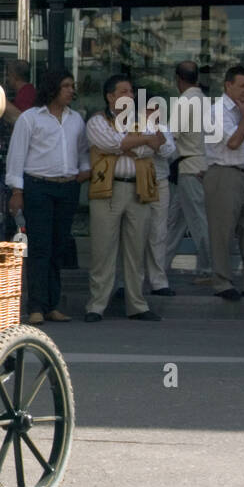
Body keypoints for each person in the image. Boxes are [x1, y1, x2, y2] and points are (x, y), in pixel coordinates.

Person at [6, 70, 90, 324]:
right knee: (40, 248)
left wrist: (84, 170)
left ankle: (52, 304)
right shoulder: (31, 118)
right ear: (53, 88)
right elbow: (16, 155)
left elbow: (82, 150)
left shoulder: (76, 119)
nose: (71, 90)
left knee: (58, 247)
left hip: (67, 188)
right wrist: (17, 191)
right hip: (38, 187)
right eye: (65, 85)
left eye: (72, 86)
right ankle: (36, 306)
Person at [84, 75, 164, 323]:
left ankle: (137, 305)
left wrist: (126, 145)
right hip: (108, 190)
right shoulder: (97, 120)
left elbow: (154, 146)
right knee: (102, 251)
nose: (130, 96)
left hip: (138, 189)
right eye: (124, 91)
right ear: (110, 96)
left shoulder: (142, 120)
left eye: (131, 92)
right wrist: (134, 142)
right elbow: (109, 142)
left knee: (135, 250)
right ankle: (96, 306)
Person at [204, 64, 244, 300]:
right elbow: (233, 142)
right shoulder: (216, 112)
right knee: (222, 231)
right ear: (228, 85)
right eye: (242, 85)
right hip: (224, 174)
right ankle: (222, 283)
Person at [163, 61, 213, 284]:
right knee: (175, 221)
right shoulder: (205, 100)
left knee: (198, 222)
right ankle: (159, 266)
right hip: (200, 165)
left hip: (189, 167)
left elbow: (172, 137)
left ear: (178, 78)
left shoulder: (185, 102)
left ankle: (209, 269)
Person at [140, 88, 178, 297]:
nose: (153, 112)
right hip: (136, 182)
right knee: (132, 234)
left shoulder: (162, 127)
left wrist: (156, 139)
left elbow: (169, 151)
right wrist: (151, 142)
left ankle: (158, 280)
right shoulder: (130, 126)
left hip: (159, 182)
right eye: (149, 108)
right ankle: (125, 282)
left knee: (158, 232)